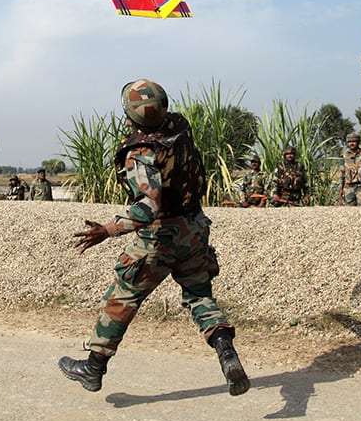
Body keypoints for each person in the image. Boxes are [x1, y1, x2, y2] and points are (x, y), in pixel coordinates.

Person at [59, 79, 250, 397]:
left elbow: (149, 208)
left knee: (123, 296)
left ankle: (93, 368)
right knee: (200, 297)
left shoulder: (140, 153)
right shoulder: (179, 125)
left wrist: (108, 229)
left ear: (130, 115)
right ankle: (226, 352)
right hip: (194, 229)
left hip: (159, 237)